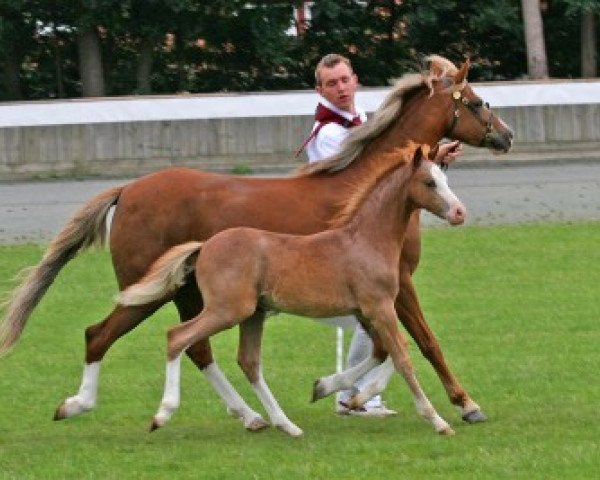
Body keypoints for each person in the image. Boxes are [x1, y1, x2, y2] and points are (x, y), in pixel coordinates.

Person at [298, 53, 462, 417]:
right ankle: (357, 395)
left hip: (354, 236)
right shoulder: (328, 134)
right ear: (319, 90)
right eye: (332, 83)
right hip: (338, 237)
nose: (341, 88)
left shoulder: (358, 123)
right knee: (375, 309)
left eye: (345, 80)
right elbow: (363, 179)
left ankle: (353, 392)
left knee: (375, 313)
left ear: (355, 80)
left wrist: (435, 157)